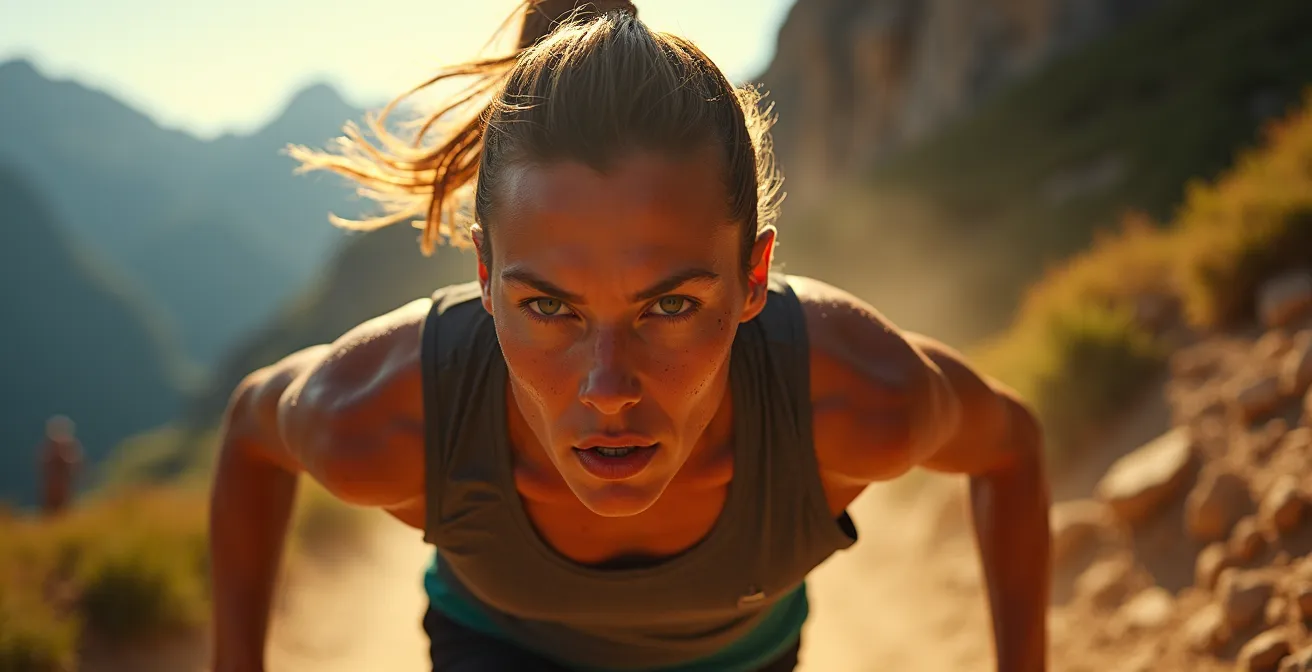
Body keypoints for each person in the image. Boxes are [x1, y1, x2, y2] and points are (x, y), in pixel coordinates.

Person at [208, 2, 1052, 670]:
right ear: (483, 282)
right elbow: (252, 427)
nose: (608, 387)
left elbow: (1010, 446)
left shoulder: (860, 397)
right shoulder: (380, 418)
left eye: (670, 308)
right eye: (549, 309)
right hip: (498, 648)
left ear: (754, 279)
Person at [39, 415, 82, 516]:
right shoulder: (49, 450)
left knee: (65, 511)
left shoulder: (70, 448)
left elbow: (77, 467)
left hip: (65, 489)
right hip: (52, 489)